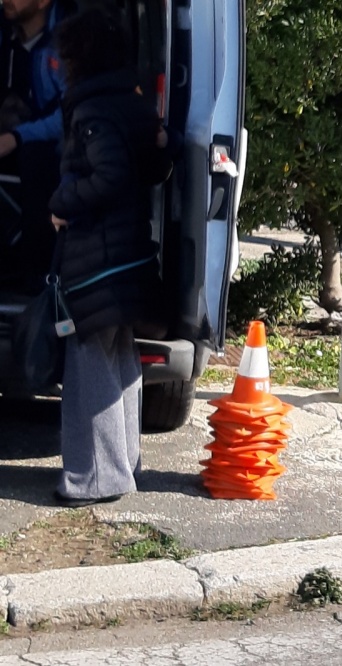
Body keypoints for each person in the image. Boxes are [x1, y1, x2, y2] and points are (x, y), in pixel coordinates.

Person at [47, 7, 173, 506]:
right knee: (121, 359)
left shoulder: (93, 111)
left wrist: (62, 203)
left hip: (97, 259)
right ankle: (124, 465)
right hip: (129, 254)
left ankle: (96, 478)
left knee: (88, 364)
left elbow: (109, 176)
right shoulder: (133, 104)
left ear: (80, 58)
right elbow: (154, 168)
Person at [0, 0, 73, 291]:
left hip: (43, 143)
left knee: (37, 160)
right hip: (9, 130)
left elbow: (68, 113)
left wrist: (18, 137)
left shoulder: (62, 46)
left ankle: (35, 277)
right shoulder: (5, 36)